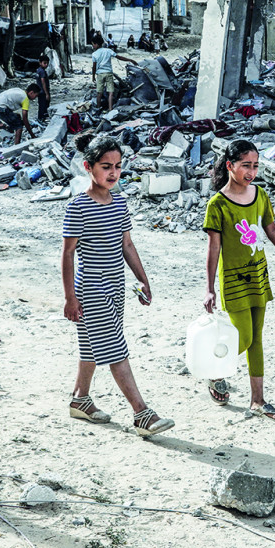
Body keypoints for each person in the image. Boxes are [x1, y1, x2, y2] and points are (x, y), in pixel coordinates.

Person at [61, 134, 173, 437]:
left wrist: (142, 278)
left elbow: (127, 244)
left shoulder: (119, 202)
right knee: (114, 347)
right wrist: (70, 298)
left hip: (116, 285)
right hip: (91, 287)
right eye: (105, 166)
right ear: (88, 167)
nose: (113, 173)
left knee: (92, 345)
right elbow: (68, 254)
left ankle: (80, 399)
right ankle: (142, 413)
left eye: (118, 167)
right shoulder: (78, 207)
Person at [201, 140, 275, 421]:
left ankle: (258, 400)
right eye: (246, 165)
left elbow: (271, 229)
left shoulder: (260, 195)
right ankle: (215, 372)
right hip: (233, 280)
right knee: (242, 336)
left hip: (259, 275)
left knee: (257, 340)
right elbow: (213, 249)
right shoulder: (217, 204)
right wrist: (209, 289)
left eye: (255, 166)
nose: (252, 172)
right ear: (230, 165)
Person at [90, 34, 138, 111]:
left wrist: (93, 77)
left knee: (99, 92)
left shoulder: (94, 54)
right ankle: (110, 108)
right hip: (108, 73)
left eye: (93, 44)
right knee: (111, 92)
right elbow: (119, 57)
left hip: (100, 74)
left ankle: (98, 109)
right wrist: (130, 60)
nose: (93, 46)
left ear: (96, 44)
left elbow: (94, 67)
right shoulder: (108, 50)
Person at [34, 55, 52, 123]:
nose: (46, 65)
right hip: (43, 92)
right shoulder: (42, 72)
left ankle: (40, 118)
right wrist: (47, 93)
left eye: (47, 63)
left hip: (40, 92)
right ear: (40, 63)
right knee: (44, 106)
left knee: (41, 105)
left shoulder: (38, 70)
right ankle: (42, 119)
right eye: (44, 63)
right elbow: (43, 82)